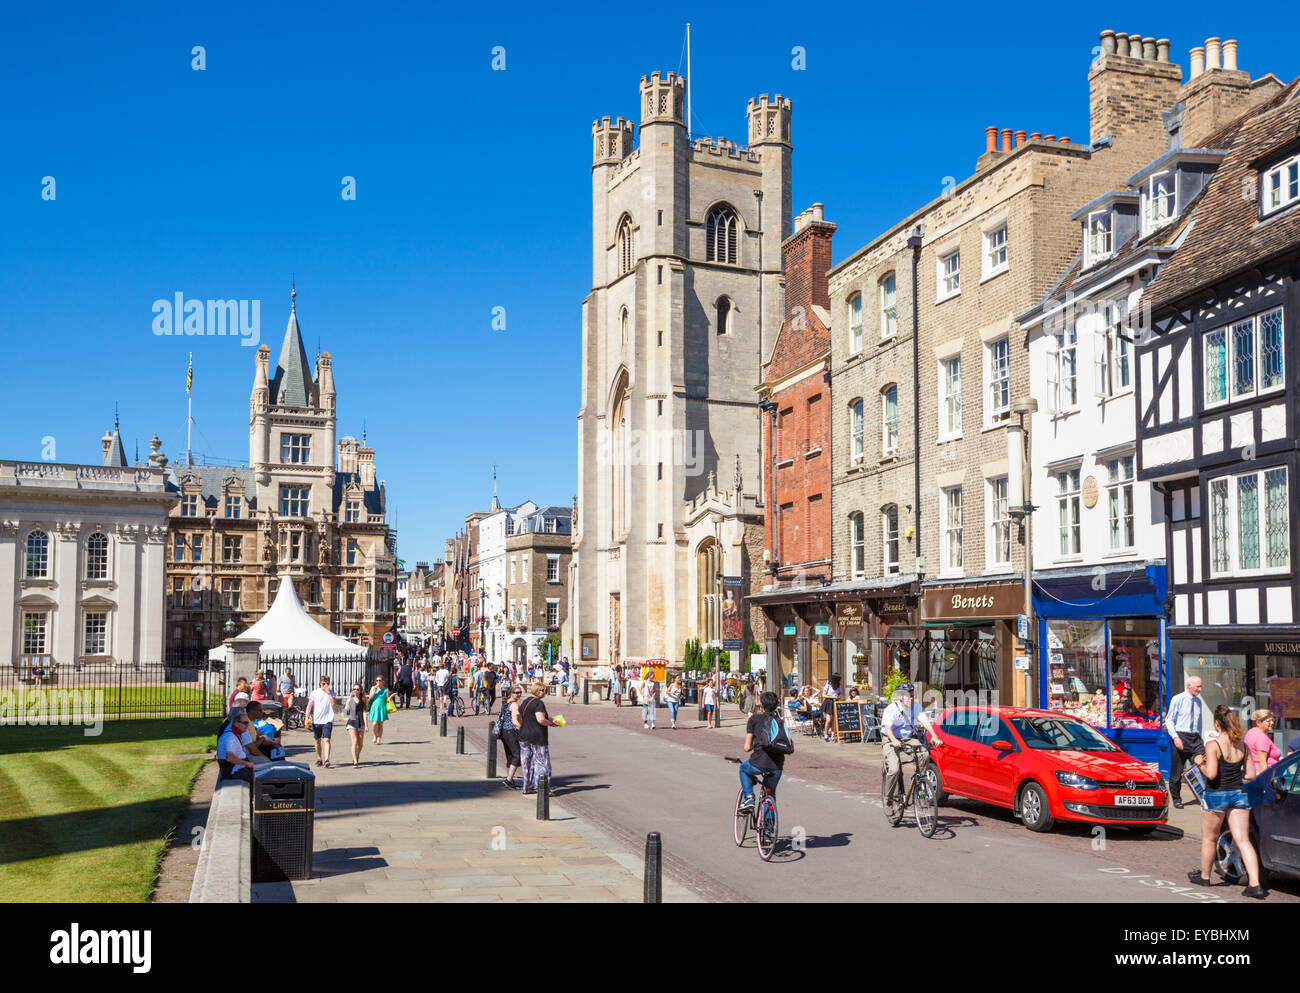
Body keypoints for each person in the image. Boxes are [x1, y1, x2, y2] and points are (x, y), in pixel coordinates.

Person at [1189, 705, 1267, 899]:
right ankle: (1255, 884)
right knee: (1243, 840)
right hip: (1238, 794)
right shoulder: (1243, 745)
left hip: (1216, 794)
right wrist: (1235, 773)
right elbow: (1250, 775)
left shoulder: (1213, 745)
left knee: (1210, 838)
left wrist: (1200, 763)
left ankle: (1205, 876)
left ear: (1217, 723)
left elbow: (1212, 774)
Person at [880, 683, 939, 806]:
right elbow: (888, 729)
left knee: (924, 753)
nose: (911, 698)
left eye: (913, 695)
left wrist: (934, 735)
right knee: (894, 769)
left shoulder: (915, 706)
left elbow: (925, 721)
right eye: (908, 696)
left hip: (908, 738)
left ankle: (920, 781)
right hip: (890, 739)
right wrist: (894, 741)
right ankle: (888, 799)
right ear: (900, 697)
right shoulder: (891, 709)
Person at [738, 691, 787, 813]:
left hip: (759, 762)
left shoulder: (754, 719)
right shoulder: (780, 722)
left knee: (743, 769)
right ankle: (768, 829)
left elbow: (746, 747)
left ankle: (749, 798)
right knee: (770, 794)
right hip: (777, 765)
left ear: (761, 705)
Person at [1167, 676, 1207, 809]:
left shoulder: (1198, 702)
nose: (1200, 689)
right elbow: (1169, 720)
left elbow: (1198, 721)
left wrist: (1199, 737)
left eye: (1201, 686)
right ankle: (1177, 799)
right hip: (1180, 736)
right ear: (1189, 685)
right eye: (1198, 687)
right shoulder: (1178, 699)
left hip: (1194, 738)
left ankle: (1205, 795)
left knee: (1202, 764)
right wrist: (1175, 737)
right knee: (1176, 773)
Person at [518, 682, 558, 797]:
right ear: (537, 691)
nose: (544, 692)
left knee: (527, 763)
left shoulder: (526, 701)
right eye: (542, 690)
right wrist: (551, 723)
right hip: (537, 737)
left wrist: (549, 719)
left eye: (544, 690)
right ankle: (543, 789)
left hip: (524, 735)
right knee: (543, 763)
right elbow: (540, 719)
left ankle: (527, 787)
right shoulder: (539, 703)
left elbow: (520, 716)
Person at [217, 708, 257, 782]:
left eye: (248, 723)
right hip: (234, 771)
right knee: (260, 780)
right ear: (236, 723)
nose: (248, 725)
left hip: (238, 767)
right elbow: (230, 758)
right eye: (245, 723)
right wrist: (247, 764)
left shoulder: (235, 732)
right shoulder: (230, 737)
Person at [497, 685, 525, 789]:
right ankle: (508, 780)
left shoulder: (506, 703)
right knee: (517, 755)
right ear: (511, 693)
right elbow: (515, 721)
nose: (519, 694)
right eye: (516, 692)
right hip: (511, 732)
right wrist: (523, 730)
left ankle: (510, 778)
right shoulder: (514, 704)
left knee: (510, 755)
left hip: (504, 732)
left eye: (520, 692)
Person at [307, 676, 337, 768]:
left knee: (327, 739)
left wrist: (329, 693)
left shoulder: (331, 693)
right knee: (317, 740)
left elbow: (333, 704)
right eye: (324, 683)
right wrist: (306, 718)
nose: (326, 685)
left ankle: (327, 759)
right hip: (316, 720)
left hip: (328, 719)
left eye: (327, 683)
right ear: (320, 683)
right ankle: (319, 758)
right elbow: (309, 706)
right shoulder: (314, 693)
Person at [1245, 710, 1281, 774]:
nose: (1272, 723)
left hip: (1253, 771)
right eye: (1268, 721)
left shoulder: (1251, 732)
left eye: (1272, 720)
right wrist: (1264, 780)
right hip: (1263, 773)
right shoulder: (1261, 737)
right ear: (1258, 722)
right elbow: (1262, 761)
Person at [346, 682, 368, 766]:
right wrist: (349, 699)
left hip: (360, 722)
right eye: (354, 689)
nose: (355, 691)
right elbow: (345, 712)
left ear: (360, 691)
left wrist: (366, 725)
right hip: (352, 721)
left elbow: (364, 713)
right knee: (354, 742)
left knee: (360, 744)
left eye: (357, 689)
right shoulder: (350, 699)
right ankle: (355, 761)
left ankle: (356, 756)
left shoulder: (363, 700)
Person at [368, 675, 389, 746]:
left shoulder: (386, 689)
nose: (378, 682)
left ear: (383, 681)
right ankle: (375, 735)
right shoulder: (373, 688)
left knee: (380, 724)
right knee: (374, 723)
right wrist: (374, 690)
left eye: (380, 680)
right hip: (375, 707)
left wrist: (390, 697)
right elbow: (370, 698)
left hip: (382, 707)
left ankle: (379, 738)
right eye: (377, 680)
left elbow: (387, 700)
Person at [821, 675, 842, 741]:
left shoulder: (839, 687)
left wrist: (838, 697)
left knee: (834, 721)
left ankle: (833, 735)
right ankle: (826, 734)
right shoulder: (828, 686)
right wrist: (833, 697)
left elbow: (839, 695)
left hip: (835, 703)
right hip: (828, 703)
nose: (835, 683)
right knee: (828, 720)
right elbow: (823, 695)